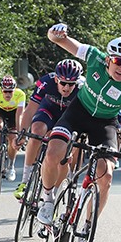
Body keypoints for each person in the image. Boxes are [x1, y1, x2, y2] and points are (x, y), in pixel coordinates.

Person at [37, 24, 121, 226]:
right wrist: (53, 34)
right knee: (53, 152)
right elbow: (61, 41)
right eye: (119, 61)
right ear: (109, 59)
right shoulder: (95, 57)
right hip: (78, 111)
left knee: (106, 176)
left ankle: (86, 228)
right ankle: (48, 199)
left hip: (105, 124)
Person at [15, 58, 83, 197]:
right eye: (63, 83)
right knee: (37, 131)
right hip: (48, 112)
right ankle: (25, 181)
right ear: (57, 79)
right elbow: (30, 110)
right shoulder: (46, 82)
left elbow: (83, 118)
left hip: (68, 117)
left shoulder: (83, 88)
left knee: (76, 145)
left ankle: (69, 180)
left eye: (71, 84)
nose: (66, 88)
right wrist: (21, 133)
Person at [0, 75, 26, 180]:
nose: (8, 94)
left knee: (13, 138)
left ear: (14, 90)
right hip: (0, 111)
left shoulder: (20, 94)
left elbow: (19, 115)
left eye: (10, 91)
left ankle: (11, 167)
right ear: (1, 90)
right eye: (5, 91)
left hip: (13, 113)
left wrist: (18, 133)